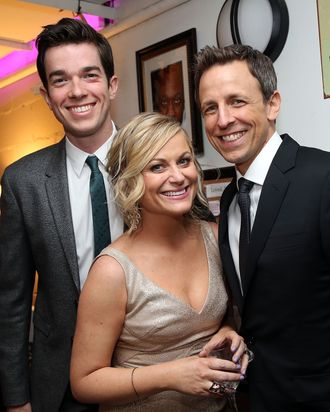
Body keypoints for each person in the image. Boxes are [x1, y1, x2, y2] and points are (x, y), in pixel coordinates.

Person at [70, 112, 250, 411]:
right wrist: (170, 375)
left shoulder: (215, 239)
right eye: (156, 166)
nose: (178, 176)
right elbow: (84, 382)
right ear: (129, 181)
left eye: (184, 161)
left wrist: (228, 332)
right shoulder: (113, 270)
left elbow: (228, 316)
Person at [194, 44, 330, 412]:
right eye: (210, 108)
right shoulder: (230, 200)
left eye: (237, 101)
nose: (223, 120)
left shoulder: (322, 178)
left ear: (273, 104)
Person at [0, 18, 123, 412]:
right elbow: (12, 301)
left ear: (112, 84)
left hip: (153, 370)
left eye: (89, 75)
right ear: (46, 96)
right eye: (60, 80)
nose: (77, 92)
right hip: (64, 384)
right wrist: (16, 399)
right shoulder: (23, 182)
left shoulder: (157, 161)